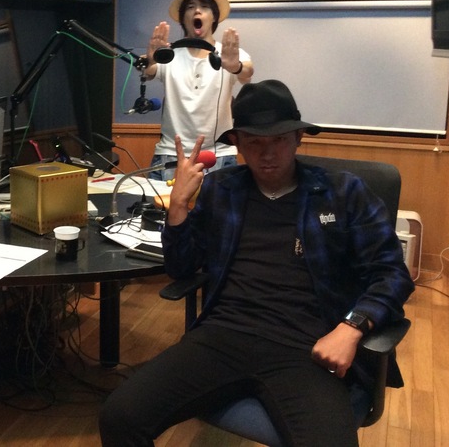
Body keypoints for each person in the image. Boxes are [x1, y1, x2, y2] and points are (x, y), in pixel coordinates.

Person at [99, 80, 415, 446]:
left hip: (306, 348)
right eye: (254, 142)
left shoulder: (343, 193)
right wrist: (179, 206)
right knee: (119, 417)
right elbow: (182, 269)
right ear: (237, 144)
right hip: (222, 337)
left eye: (279, 140)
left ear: (298, 138)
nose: (267, 153)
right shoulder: (222, 189)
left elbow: (392, 274)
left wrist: (351, 327)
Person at [144, 0, 254, 180]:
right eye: (191, 7)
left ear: (214, 17)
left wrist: (234, 66)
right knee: (162, 202)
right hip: (171, 154)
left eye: (204, 7)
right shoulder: (169, 54)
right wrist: (151, 59)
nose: (197, 11)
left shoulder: (228, 54)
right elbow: (150, 71)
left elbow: (247, 73)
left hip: (219, 155)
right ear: (183, 18)